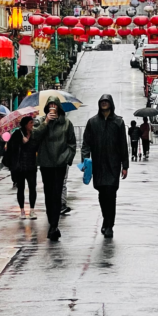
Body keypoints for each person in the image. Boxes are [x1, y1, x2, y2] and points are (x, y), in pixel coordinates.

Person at [81, 94, 129, 239]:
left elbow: (123, 145)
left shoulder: (119, 122)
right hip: (99, 165)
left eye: (106, 101)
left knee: (111, 195)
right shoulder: (93, 122)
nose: (104, 104)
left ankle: (109, 225)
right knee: (102, 195)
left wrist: (124, 165)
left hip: (113, 165)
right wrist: (85, 161)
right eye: (102, 101)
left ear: (111, 104)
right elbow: (86, 144)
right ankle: (106, 219)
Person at [31, 96, 77, 241]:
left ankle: (54, 226)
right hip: (46, 163)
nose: (52, 107)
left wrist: (67, 158)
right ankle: (52, 222)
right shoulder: (40, 121)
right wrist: (46, 122)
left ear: (58, 107)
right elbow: (34, 136)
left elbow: (72, 143)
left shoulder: (66, 123)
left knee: (57, 194)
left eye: (54, 105)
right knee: (48, 194)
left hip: (60, 164)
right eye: (50, 105)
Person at [5, 116, 38, 219]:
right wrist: (20, 142)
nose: (32, 125)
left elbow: (37, 147)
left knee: (32, 187)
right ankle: (22, 210)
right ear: (25, 124)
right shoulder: (17, 134)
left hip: (31, 165)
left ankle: (32, 210)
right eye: (30, 123)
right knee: (21, 189)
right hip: (20, 167)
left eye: (33, 123)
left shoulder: (34, 134)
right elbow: (11, 149)